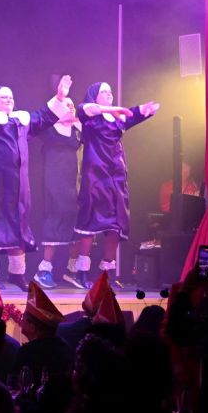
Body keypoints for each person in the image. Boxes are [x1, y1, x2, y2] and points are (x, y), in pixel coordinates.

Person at [0, 68, 71, 292]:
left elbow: (46, 116)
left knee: (18, 229)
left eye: (11, 97)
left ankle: (17, 274)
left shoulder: (21, 120)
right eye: (4, 97)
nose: (9, 100)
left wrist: (60, 97)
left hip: (18, 187)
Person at [73, 82, 160, 288]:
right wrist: (113, 109)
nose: (109, 94)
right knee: (90, 222)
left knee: (115, 224)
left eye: (110, 91)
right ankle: (82, 271)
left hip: (116, 176)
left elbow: (132, 116)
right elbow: (85, 108)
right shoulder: (90, 115)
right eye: (104, 92)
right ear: (94, 96)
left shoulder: (117, 118)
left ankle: (107, 271)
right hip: (95, 176)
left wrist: (144, 110)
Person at [36, 91, 82, 289]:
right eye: (66, 105)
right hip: (55, 183)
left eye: (72, 106)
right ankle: (44, 269)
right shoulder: (50, 129)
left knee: (77, 225)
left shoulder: (78, 130)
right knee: (55, 221)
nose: (70, 108)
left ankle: (72, 270)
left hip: (75, 183)